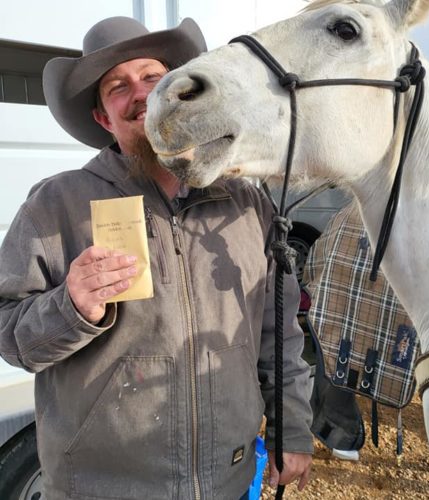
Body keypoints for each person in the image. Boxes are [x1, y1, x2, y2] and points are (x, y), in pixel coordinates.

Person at [0, 17, 313, 500]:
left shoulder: (244, 203)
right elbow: (10, 337)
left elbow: (279, 329)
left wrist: (290, 429)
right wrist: (71, 308)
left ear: (178, 93)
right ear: (104, 116)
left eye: (152, 77)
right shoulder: (54, 205)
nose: (140, 93)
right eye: (117, 87)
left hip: (224, 479)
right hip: (104, 487)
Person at [302, 200, 415, 461]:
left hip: (340, 311)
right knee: (340, 364)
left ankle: (337, 429)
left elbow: (316, 264)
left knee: (335, 362)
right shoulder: (360, 215)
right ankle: (338, 429)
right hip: (358, 313)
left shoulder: (349, 214)